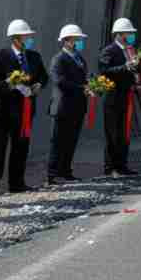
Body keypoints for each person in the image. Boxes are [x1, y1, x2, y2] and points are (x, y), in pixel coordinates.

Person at [0, 19, 48, 194]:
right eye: (26, 37)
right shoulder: (1, 56)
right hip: (4, 110)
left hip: (25, 110)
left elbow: (43, 76)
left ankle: (17, 183)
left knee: (21, 147)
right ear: (15, 39)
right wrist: (9, 85)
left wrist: (39, 84)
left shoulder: (34, 57)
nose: (29, 39)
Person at [97, 18, 141, 178]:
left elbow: (136, 71)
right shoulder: (109, 51)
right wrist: (125, 67)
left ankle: (122, 165)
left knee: (124, 132)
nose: (131, 36)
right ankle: (110, 167)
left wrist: (137, 81)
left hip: (127, 96)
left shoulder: (131, 50)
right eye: (128, 33)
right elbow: (104, 70)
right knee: (113, 133)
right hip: (113, 97)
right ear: (118, 34)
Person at [47, 25, 89, 184]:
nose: (80, 42)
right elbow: (60, 81)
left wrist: (91, 84)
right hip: (62, 106)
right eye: (77, 39)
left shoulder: (79, 59)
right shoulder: (58, 59)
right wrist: (81, 88)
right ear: (67, 41)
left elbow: (83, 78)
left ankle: (65, 170)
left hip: (77, 106)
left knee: (71, 140)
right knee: (58, 141)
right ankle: (53, 174)